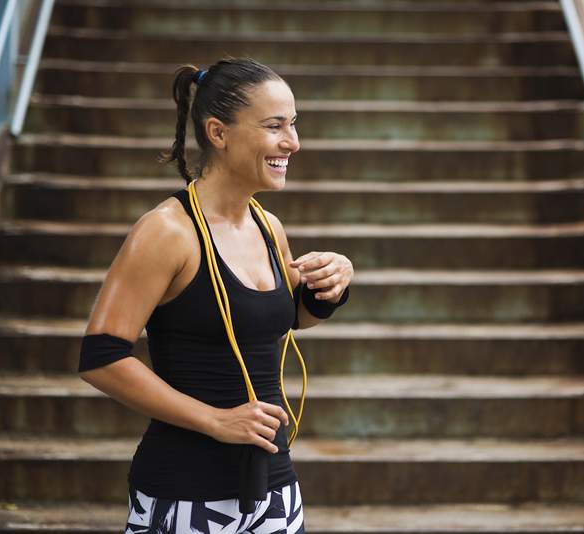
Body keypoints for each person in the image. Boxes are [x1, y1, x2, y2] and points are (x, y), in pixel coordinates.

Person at [77, 57, 354, 534]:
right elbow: (101, 356)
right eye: (274, 126)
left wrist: (332, 283)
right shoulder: (167, 231)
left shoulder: (269, 226)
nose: (293, 142)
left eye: (293, 124)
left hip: (274, 488)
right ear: (218, 133)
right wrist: (215, 420)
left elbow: (290, 317)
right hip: (186, 491)